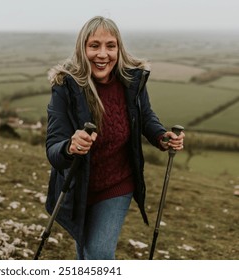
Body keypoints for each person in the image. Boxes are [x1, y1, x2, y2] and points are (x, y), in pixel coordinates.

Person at [45, 16, 185, 260]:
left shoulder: (132, 81)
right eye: (94, 45)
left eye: (111, 46)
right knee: (86, 252)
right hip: (79, 186)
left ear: (119, 49)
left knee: (98, 253)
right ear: (82, 48)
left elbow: (145, 116)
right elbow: (54, 148)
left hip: (118, 183)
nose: (103, 54)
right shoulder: (65, 86)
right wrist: (70, 146)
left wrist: (162, 137)